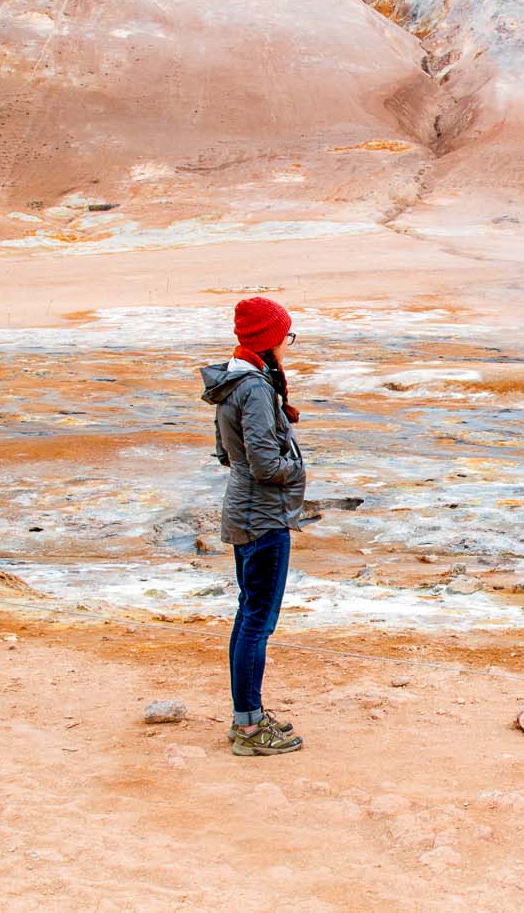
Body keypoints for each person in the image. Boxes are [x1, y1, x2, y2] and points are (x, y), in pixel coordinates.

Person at [199, 297, 306, 756]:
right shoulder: (256, 388)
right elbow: (264, 463)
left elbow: (227, 453)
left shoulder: (236, 381)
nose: (289, 343)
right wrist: (297, 470)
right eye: (287, 335)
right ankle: (247, 728)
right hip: (263, 516)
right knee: (256, 621)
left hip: (245, 511)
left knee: (250, 616)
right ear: (269, 339)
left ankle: (250, 716)